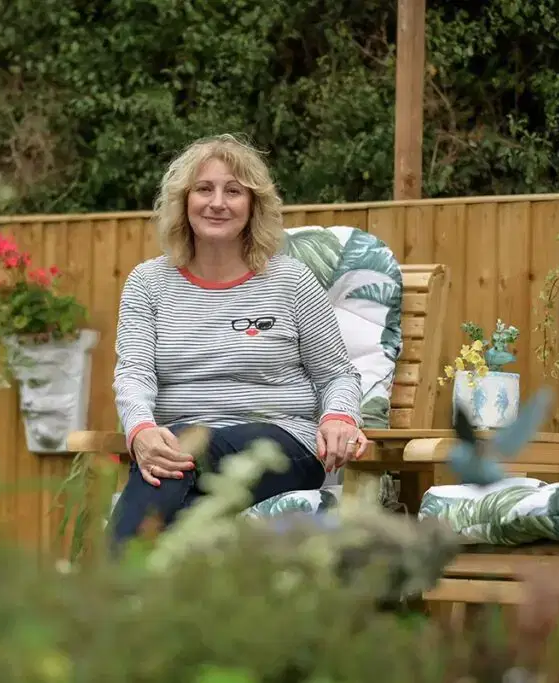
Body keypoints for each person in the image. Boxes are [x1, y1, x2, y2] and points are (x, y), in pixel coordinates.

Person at [109, 133, 368, 549]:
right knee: (174, 471)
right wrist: (140, 429)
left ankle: (105, 591)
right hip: (178, 449)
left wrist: (339, 416)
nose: (217, 202)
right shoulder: (147, 283)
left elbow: (337, 374)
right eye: (203, 189)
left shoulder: (291, 281)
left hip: (283, 443)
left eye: (233, 191)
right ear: (183, 202)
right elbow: (134, 371)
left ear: (253, 206)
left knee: (178, 454)